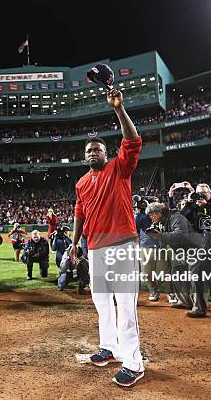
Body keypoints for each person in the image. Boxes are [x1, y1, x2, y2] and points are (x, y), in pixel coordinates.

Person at [70, 88, 145, 387]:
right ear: (84, 157)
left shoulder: (119, 168)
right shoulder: (81, 183)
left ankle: (134, 362)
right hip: (95, 248)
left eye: (97, 150)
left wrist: (119, 109)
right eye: (88, 151)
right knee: (102, 302)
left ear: (105, 154)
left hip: (123, 244)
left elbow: (133, 141)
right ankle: (110, 348)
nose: (92, 153)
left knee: (126, 304)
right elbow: (79, 214)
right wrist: (75, 243)